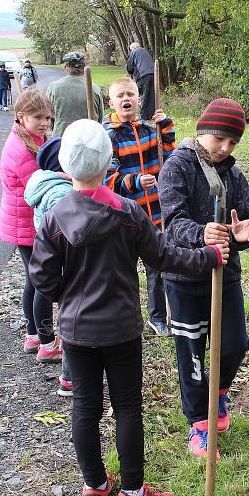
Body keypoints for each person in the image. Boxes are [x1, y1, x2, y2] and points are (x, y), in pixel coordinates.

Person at [28, 118, 228, 496]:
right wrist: (208, 256)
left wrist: (67, 298)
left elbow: (41, 277)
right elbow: (164, 256)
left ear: (65, 169)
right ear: (109, 165)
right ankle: (133, 494)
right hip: (120, 328)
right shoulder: (128, 213)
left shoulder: (54, 219)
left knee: (85, 406)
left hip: (75, 331)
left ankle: (95, 488)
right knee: (127, 407)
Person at [158, 98, 249, 459]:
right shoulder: (177, 167)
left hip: (225, 274)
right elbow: (173, 222)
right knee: (193, 354)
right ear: (202, 131)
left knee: (234, 344)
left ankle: (218, 392)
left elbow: (243, 221)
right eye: (220, 139)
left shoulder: (233, 174)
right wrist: (203, 233)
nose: (225, 148)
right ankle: (199, 426)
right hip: (184, 274)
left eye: (233, 143)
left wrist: (242, 234)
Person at [103, 77, 175, 337]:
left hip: (154, 213)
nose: (126, 99)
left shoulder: (149, 130)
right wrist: (133, 181)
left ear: (139, 99)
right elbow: (106, 179)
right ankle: (127, 317)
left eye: (130, 94)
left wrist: (165, 127)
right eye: (120, 95)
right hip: (124, 216)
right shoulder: (108, 136)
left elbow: (169, 158)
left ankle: (158, 317)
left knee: (156, 265)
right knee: (125, 269)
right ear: (111, 102)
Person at [0, 89, 61, 363]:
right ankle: (47, 343)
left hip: (24, 222)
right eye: (38, 117)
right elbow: (40, 184)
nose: (44, 123)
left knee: (33, 280)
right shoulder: (21, 148)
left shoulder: (32, 138)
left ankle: (34, 334)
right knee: (43, 283)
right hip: (26, 225)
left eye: (48, 117)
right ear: (21, 116)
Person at [24, 136, 75, 396]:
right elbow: (67, 232)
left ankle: (42, 339)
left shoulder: (44, 184)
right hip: (61, 259)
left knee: (40, 292)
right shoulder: (60, 193)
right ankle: (67, 372)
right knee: (70, 313)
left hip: (47, 253)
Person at [46, 52, 103, 135]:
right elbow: (100, 118)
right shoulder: (95, 88)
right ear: (84, 67)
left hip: (62, 137)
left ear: (65, 66)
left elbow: (48, 115)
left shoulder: (53, 87)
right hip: (89, 137)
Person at [125, 42, 155, 120]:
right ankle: (150, 115)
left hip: (143, 75)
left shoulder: (134, 52)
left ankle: (143, 116)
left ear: (132, 48)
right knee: (151, 95)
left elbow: (129, 68)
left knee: (143, 95)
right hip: (153, 74)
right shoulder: (145, 51)